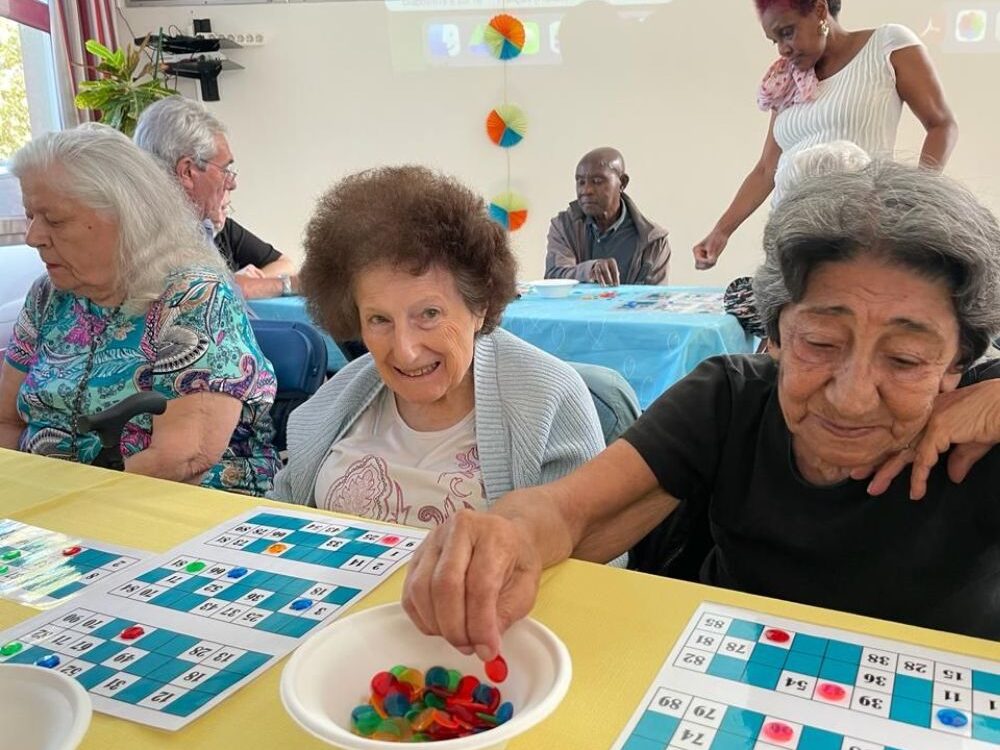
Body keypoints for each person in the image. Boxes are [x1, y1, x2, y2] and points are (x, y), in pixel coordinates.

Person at [402, 162, 1000, 655]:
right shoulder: (731, 397)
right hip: (730, 685)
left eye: (905, 359)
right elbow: (566, 511)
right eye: (819, 343)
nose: (850, 395)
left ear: (958, 365)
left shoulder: (986, 436)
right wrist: (506, 533)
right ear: (775, 335)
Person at [268, 165, 605, 529]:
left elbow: (593, 556)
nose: (406, 350)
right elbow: (279, 518)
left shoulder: (550, 399)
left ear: (480, 306)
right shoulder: (332, 404)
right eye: (379, 320)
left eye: (429, 314)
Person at [0, 124, 281, 495]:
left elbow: (181, 458)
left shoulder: (193, 297)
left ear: (125, 216)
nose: (33, 236)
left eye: (55, 220)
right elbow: (6, 421)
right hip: (50, 510)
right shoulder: (49, 296)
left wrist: (62, 508)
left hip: (174, 510)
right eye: (30, 215)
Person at [692, 0, 957, 270]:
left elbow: (942, 125)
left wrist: (911, 198)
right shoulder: (788, 79)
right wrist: (720, 232)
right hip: (790, 238)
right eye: (775, 41)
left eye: (787, 32)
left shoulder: (887, 45)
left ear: (820, 10)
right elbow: (766, 169)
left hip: (857, 234)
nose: (783, 49)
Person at [133, 96, 298, 299]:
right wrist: (279, 284)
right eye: (224, 169)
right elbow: (213, 299)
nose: (232, 183)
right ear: (187, 172)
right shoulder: (156, 242)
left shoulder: (202, 227)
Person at [545, 147, 670, 286]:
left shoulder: (653, 241)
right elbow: (554, 277)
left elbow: (654, 300)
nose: (586, 190)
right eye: (581, 182)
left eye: (597, 181)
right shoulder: (564, 225)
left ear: (622, 182)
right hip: (576, 308)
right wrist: (590, 270)